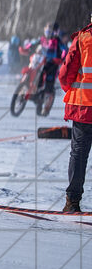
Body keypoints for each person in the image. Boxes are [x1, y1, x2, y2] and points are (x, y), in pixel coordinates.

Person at [58, 12, 92, 213]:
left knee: (79, 154)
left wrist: (70, 88)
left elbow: (66, 72)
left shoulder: (83, 38)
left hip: (83, 107)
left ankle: (72, 202)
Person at [37, 22, 67, 97]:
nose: (49, 33)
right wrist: (27, 48)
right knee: (38, 72)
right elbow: (34, 43)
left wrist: (63, 58)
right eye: (47, 31)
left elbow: (65, 49)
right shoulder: (42, 39)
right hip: (43, 60)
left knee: (50, 77)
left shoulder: (57, 40)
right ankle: (37, 89)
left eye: (51, 32)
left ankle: (48, 91)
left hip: (54, 62)